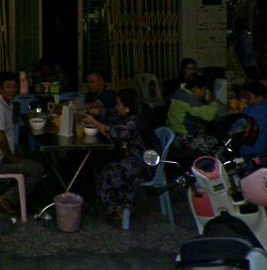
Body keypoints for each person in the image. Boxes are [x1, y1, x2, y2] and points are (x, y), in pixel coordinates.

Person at [80, 89, 151, 224]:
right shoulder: (126, 115)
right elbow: (109, 113)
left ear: (127, 108)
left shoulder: (134, 122)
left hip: (142, 163)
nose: (116, 107)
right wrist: (94, 112)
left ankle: (121, 210)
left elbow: (114, 133)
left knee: (110, 170)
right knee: (99, 164)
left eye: (118, 104)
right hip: (129, 156)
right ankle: (113, 206)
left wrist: (94, 122)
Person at [0, 71, 46, 217]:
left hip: (3, 155)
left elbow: (30, 111)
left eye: (14, 86)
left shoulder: (5, 103)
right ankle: (8, 197)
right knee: (38, 168)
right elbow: (0, 138)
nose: (12, 90)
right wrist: (12, 158)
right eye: (8, 87)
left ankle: (25, 193)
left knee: (37, 155)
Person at [166, 72, 222, 158]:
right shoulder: (189, 99)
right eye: (203, 90)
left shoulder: (179, 92)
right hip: (183, 137)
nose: (204, 93)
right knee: (215, 143)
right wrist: (215, 103)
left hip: (172, 132)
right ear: (195, 88)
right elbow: (208, 115)